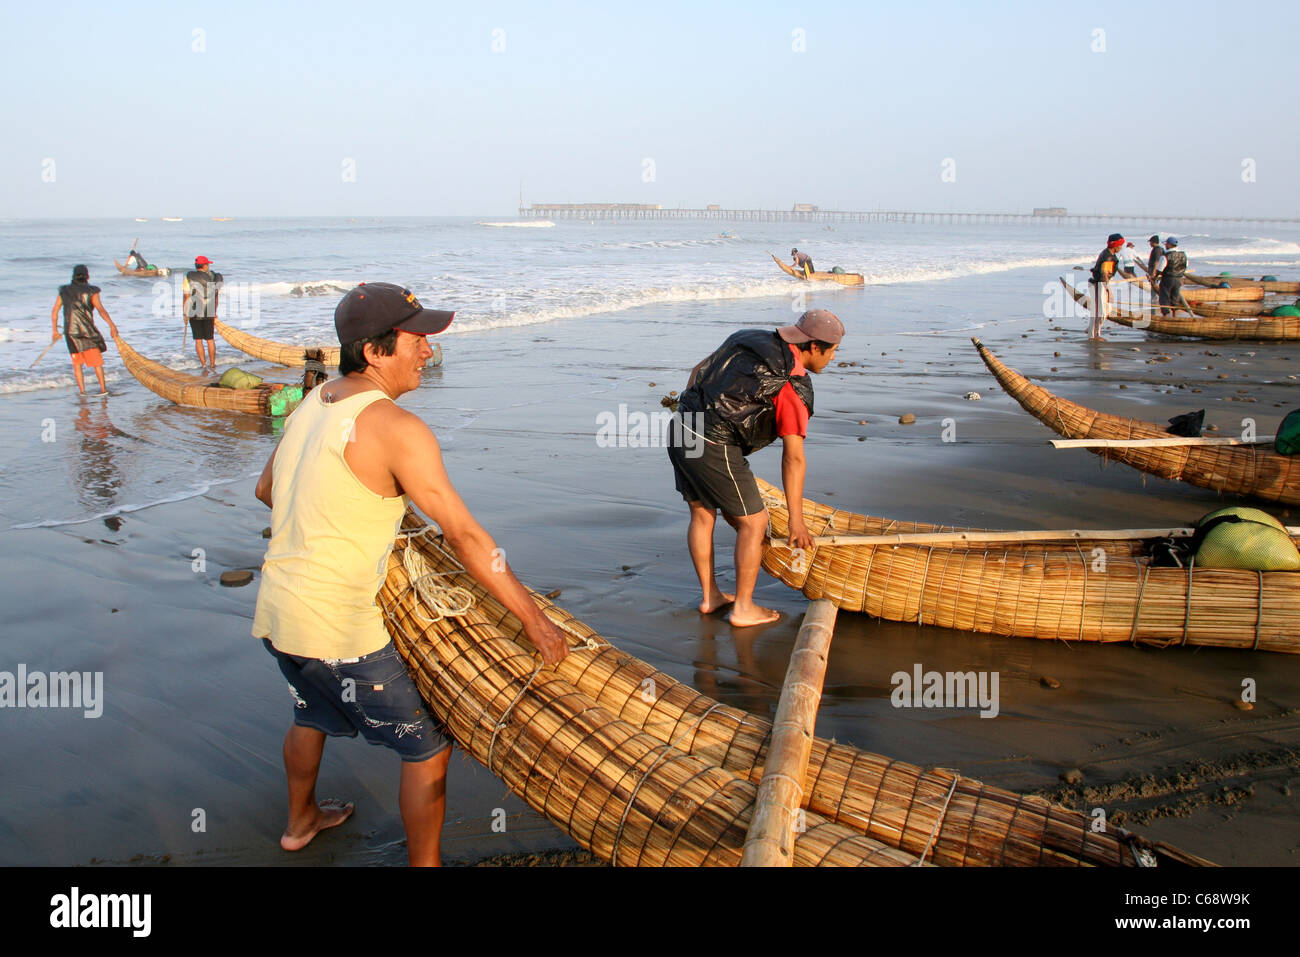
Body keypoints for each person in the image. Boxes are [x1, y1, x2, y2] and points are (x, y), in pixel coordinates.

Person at [252, 281, 568, 866]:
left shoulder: (313, 402)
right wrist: (533, 619)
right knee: (426, 748)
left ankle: (300, 822)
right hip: (340, 629)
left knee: (310, 712)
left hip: (277, 611)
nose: (428, 350)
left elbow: (266, 489)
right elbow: (467, 537)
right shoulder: (397, 429)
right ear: (374, 352)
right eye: (416, 339)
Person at [668, 308, 843, 626]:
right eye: (833, 351)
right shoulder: (792, 385)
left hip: (682, 424)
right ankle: (744, 608)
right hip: (713, 444)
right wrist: (796, 522)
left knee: (702, 513)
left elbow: (697, 372)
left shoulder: (748, 339)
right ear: (815, 346)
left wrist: (696, 411)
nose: (833, 358)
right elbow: (793, 458)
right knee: (754, 523)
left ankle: (711, 598)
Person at [50, 265, 118, 396]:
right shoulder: (92, 291)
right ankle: (103, 390)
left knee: (77, 364)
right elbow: (101, 310)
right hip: (87, 331)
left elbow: (55, 311)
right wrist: (112, 325)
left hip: (70, 331)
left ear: (73, 276)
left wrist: (54, 331)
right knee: (97, 363)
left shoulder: (64, 291)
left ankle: (82, 392)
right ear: (87, 276)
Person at [183, 255, 222, 373]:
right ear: (204, 265)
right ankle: (213, 364)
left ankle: (204, 365)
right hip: (209, 310)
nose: (208, 266)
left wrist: (185, 313)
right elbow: (215, 298)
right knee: (210, 339)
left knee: (198, 339)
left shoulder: (189, 277)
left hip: (194, 310)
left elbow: (186, 297)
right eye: (208, 264)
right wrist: (214, 312)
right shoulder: (214, 277)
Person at [1087, 233, 1125, 340]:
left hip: (1101, 284)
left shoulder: (1108, 254)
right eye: (1120, 245)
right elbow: (1104, 275)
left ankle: (1094, 332)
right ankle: (1094, 335)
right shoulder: (1108, 257)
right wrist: (1108, 291)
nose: (1121, 247)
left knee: (1104, 311)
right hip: (1098, 284)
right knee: (1101, 312)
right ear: (1115, 245)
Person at [1158, 236, 1188, 318]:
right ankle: (1175, 315)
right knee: (1175, 297)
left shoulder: (1166, 256)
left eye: (1166, 244)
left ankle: (1166, 315)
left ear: (1170, 245)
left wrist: (1155, 276)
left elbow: (1160, 269)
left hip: (1167, 278)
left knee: (1164, 297)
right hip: (1178, 279)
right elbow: (1186, 265)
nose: (1165, 245)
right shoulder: (1183, 255)